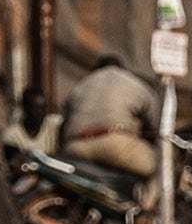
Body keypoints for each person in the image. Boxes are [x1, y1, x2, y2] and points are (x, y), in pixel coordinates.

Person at [61, 51, 160, 180]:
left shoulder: (79, 86)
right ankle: (147, 200)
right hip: (114, 144)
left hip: (76, 146)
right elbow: (155, 125)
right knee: (159, 168)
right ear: (123, 69)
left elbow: (64, 124)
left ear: (96, 70)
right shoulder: (134, 83)